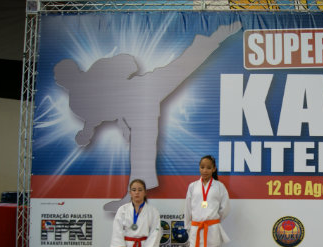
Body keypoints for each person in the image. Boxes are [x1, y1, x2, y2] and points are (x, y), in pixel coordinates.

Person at [54, 21, 242, 211]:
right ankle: (134, 198)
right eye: (63, 79)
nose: (67, 81)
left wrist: (115, 76)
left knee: (179, 69)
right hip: (134, 108)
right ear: (63, 83)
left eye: (66, 75)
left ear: (73, 73)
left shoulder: (97, 70)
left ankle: (214, 38)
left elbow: (128, 62)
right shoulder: (77, 102)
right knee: (141, 151)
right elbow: (96, 116)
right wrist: (88, 133)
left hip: (141, 91)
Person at [184, 155, 230, 247]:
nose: (205, 170)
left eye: (208, 167)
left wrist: (214, 221)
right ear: (199, 168)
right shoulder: (192, 186)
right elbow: (188, 209)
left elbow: (225, 208)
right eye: (202, 167)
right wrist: (188, 227)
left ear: (214, 169)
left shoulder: (219, 187)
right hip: (196, 229)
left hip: (212, 229)